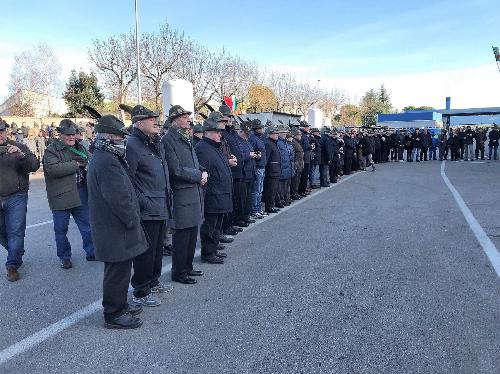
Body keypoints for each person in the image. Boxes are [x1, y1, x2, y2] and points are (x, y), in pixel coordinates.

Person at [87, 111, 145, 329]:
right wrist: (132, 219)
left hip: (114, 227)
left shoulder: (107, 157)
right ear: (108, 137)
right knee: (116, 272)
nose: (124, 140)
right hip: (114, 227)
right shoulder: (106, 161)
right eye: (120, 137)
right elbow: (119, 198)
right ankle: (113, 314)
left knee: (121, 270)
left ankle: (120, 304)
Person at [124, 104, 173, 306]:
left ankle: (153, 281)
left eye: (155, 117)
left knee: (158, 248)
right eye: (151, 118)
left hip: (161, 204)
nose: (155, 121)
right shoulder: (133, 145)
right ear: (139, 123)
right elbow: (128, 180)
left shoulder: (155, 142)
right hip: (147, 208)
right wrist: (142, 200)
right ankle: (141, 291)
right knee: (146, 251)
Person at [162, 105, 206, 284]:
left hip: (193, 191)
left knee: (191, 234)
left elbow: (194, 162)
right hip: (181, 194)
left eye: (188, 116)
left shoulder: (185, 137)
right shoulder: (168, 140)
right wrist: (198, 176)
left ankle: (187, 267)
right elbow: (175, 170)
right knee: (182, 237)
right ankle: (179, 273)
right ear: (175, 120)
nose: (188, 119)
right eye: (184, 116)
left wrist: (203, 171)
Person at [43, 119, 95, 269]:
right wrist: (76, 164)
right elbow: (53, 170)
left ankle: (91, 252)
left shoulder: (81, 147)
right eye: (68, 135)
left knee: (87, 226)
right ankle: (64, 257)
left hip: (81, 191)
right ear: (60, 135)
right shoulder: (52, 150)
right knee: (61, 230)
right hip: (61, 195)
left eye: (73, 134)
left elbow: (91, 160)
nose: (71, 137)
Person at [0, 120, 40, 282]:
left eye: (1, 131)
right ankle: (15, 251)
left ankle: (12, 265)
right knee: (3, 234)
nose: (0, 134)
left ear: (6, 131)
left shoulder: (18, 147)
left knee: (15, 231)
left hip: (16, 196)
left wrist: (20, 156)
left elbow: (34, 165)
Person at [195, 119, 232, 265]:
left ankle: (214, 249)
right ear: (207, 133)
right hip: (212, 195)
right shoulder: (202, 148)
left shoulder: (214, 147)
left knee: (217, 225)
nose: (219, 135)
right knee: (210, 226)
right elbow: (204, 171)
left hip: (220, 193)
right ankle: (208, 253)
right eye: (216, 132)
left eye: (220, 132)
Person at [247, 119, 267, 219]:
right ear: (256, 129)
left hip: (261, 167)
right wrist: (256, 156)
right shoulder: (253, 138)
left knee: (260, 190)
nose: (263, 129)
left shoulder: (259, 138)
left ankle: (258, 209)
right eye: (261, 128)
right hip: (257, 167)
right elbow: (251, 152)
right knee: (256, 190)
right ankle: (254, 210)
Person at [263, 125, 281, 213]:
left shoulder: (274, 143)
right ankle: (269, 207)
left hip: (275, 170)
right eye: (275, 133)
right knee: (270, 190)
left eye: (277, 133)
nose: (277, 135)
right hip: (271, 171)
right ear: (270, 134)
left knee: (274, 190)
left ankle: (271, 205)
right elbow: (266, 158)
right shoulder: (268, 144)